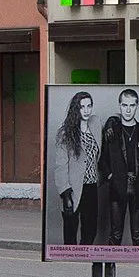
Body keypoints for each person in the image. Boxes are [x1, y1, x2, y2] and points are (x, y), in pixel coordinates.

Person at [96, 88, 139, 246]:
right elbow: (102, 159)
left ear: (137, 106)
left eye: (132, 105)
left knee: (138, 234)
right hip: (117, 186)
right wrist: (111, 177)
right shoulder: (112, 132)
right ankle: (111, 266)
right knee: (115, 233)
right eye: (125, 105)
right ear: (119, 106)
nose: (128, 109)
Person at [48, 91, 99, 245]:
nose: (86, 110)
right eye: (82, 107)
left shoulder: (96, 124)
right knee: (71, 226)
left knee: (90, 227)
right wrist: (65, 192)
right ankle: (70, 258)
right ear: (75, 109)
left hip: (91, 185)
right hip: (73, 187)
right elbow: (60, 165)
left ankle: (85, 254)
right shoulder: (66, 133)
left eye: (89, 106)